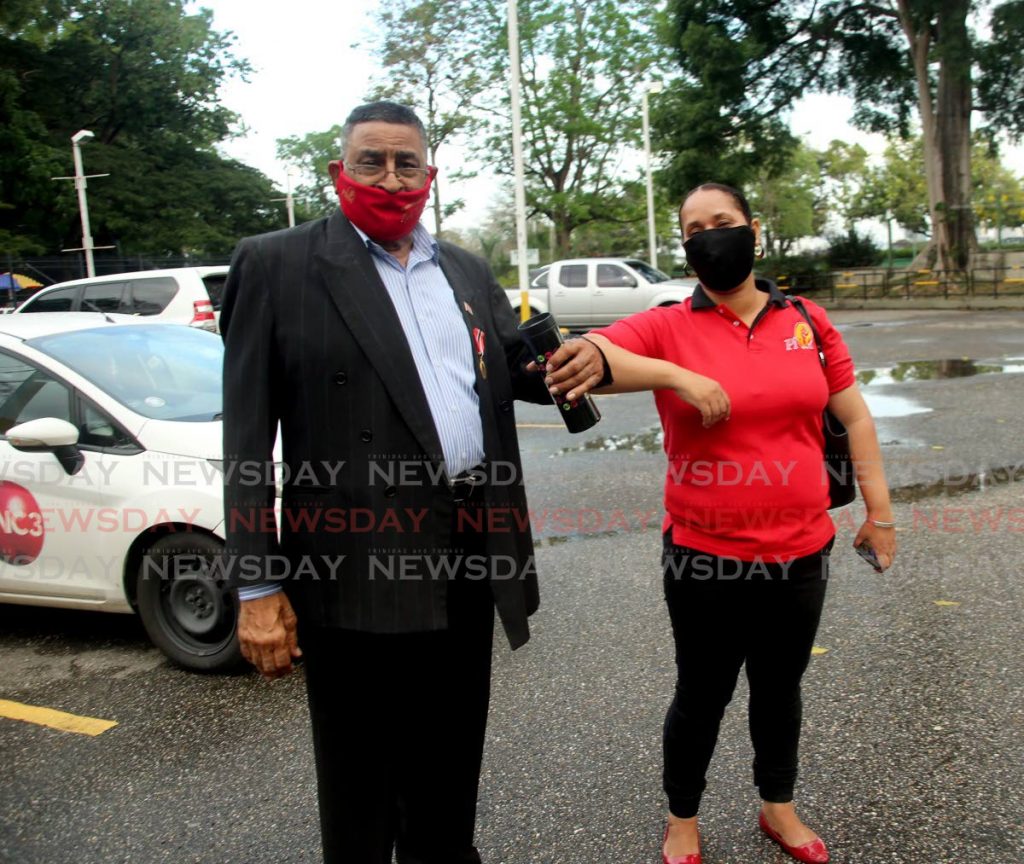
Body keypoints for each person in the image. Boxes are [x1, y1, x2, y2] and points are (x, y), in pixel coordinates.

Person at [219, 100, 607, 864]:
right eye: (372, 160)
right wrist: (257, 588)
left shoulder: (462, 267)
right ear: (340, 170)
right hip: (353, 566)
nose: (390, 177)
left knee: (449, 767)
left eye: (407, 163)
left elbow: (505, 370)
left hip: (468, 552)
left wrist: (579, 362)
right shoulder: (277, 264)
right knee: (361, 788)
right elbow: (244, 439)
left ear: (429, 175)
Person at [548, 182, 896, 864]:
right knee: (701, 692)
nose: (712, 235)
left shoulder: (807, 319)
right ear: (685, 246)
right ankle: (683, 817)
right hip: (703, 555)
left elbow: (853, 415)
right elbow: (596, 359)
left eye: (724, 222)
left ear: (753, 229)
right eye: (695, 227)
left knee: (779, 688)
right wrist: (678, 377)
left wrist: (880, 513)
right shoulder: (669, 324)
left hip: (800, 550)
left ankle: (779, 807)